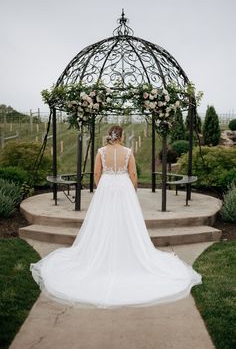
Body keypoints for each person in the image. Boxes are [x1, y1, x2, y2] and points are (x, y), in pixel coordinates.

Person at [30, 125, 202, 309]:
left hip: (106, 186)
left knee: (102, 221)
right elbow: (133, 174)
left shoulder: (101, 152)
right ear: (121, 136)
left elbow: (96, 174)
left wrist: (103, 186)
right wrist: (132, 189)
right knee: (127, 221)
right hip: (123, 187)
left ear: (109, 136)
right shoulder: (128, 152)